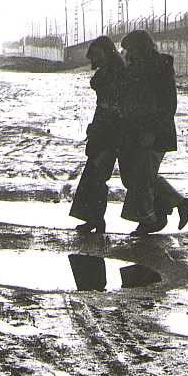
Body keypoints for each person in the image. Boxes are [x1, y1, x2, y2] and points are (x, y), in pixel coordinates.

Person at [118, 30, 188, 235]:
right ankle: (179, 203)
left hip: (154, 132)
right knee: (137, 177)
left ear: (141, 47)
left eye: (131, 49)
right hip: (135, 131)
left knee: (141, 178)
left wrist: (152, 131)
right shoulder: (135, 67)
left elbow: (168, 104)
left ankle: (150, 220)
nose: (128, 53)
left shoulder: (160, 68)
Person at [69, 36, 125, 234]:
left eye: (97, 54)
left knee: (97, 175)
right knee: (95, 175)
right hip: (104, 128)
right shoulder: (113, 71)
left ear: (106, 51)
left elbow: (111, 107)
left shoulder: (116, 73)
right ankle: (94, 218)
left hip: (110, 131)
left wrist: (99, 128)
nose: (95, 59)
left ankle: (95, 219)